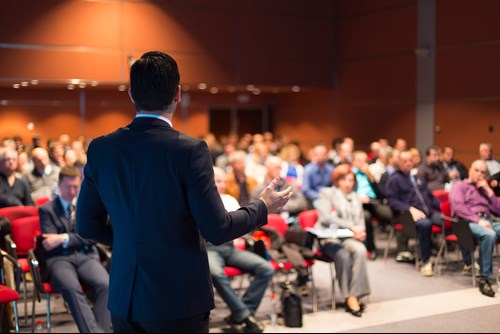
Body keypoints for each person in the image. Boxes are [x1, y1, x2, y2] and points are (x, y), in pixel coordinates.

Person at [76, 51, 291, 333]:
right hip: (177, 298)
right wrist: (262, 206)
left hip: (124, 298)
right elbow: (217, 229)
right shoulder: (189, 151)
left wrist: (133, 239)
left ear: (131, 95)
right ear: (177, 93)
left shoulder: (102, 148)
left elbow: (86, 225)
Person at [39, 166, 111, 332]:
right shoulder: (47, 209)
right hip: (59, 259)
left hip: (86, 256)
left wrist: (63, 238)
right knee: (72, 288)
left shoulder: (86, 206)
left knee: (105, 285)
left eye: (76, 187)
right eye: (68, 186)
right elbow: (49, 242)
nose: (72, 191)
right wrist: (78, 238)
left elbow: (91, 237)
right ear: (59, 185)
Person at [209, 167, 274, 333]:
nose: (221, 184)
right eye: (217, 180)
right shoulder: (204, 201)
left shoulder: (230, 199)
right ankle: (245, 316)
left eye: (223, 180)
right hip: (210, 249)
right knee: (216, 273)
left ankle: (242, 313)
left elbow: (242, 226)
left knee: (266, 268)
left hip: (229, 248)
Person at [315, 164, 371, 317]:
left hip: (349, 238)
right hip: (329, 238)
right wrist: (352, 227)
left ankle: (353, 295)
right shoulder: (327, 193)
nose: (349, 183)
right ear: (337, 180)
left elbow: (360, 220)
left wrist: (360, 231)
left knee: (360, 250)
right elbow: (325, 217)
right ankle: (349, 297)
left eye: (351, 180)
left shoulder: (355, 197)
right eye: (345, 180)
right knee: (343, 255)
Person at [385, 151, 442, 276]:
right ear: (399, 162)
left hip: (429, 212)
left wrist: (443, 207)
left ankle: (467, 262)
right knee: (425, 224)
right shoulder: (394, 179)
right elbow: (392, 201)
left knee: (453, 221)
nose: (408, 163)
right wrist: (409, 209)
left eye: (410, 160)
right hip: (408, 217)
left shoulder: (417, 178)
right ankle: (425, 261)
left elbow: (429, 196)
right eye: (405, 161)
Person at [449, 160, 500, 297]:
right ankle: (484, 279)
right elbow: (459, 208)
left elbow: (498, 211)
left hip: (487, 221)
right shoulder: (459, 185)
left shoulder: (484, 189)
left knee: (489, 231)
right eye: (477, 170)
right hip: (467, 222)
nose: (480, 174)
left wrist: (489, 191)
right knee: (489, 234)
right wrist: (478, 220)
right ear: (470, 170)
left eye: (483, 172)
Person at [302, 144, 335, 208]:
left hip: (329, 196)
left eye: (323, 154)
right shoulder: (308, 169)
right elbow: (305, 189)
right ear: (314, 155)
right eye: (319, 154)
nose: (321, 156)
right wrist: (319, 196)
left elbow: (334, 185)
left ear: (326, 155)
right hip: (315, 198)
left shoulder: (331, 169)